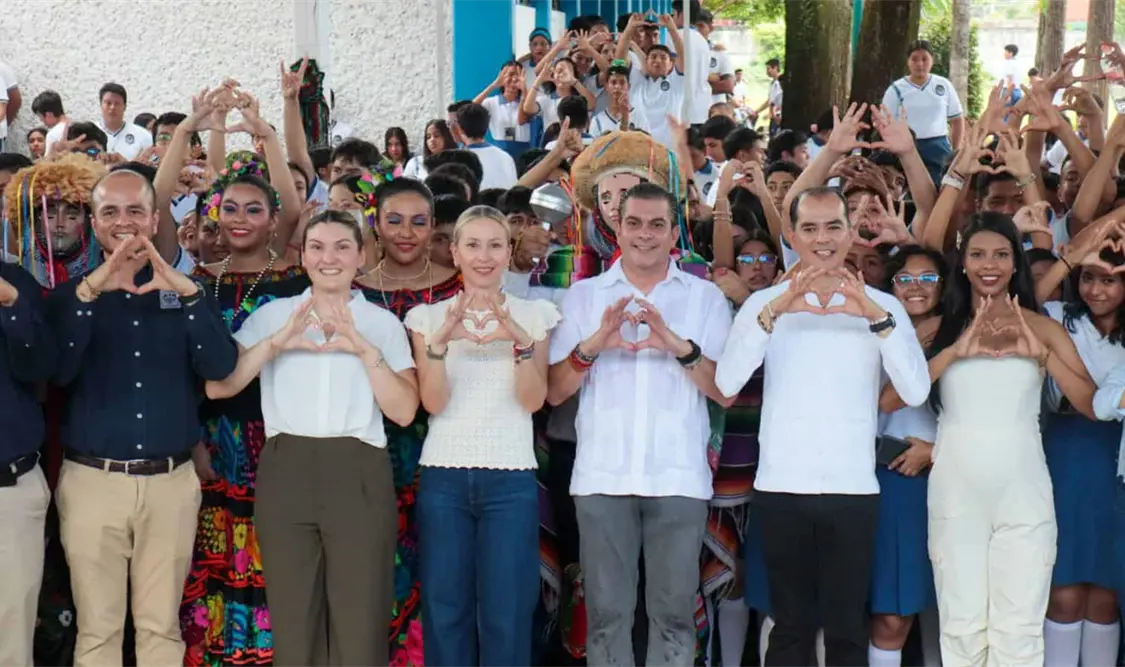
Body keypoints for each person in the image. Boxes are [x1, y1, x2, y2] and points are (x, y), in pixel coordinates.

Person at [716, 185, 930, 667]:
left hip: (853, 488)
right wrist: (774, 313)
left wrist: (876, 318)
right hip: (780, 485)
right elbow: (727, 382)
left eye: (834, 226)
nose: (823, 238)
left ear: (851, 231)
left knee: (846, 629)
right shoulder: (764, 304)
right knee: (789, 627)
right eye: (809, 228)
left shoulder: (883, 305)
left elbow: (915, 391)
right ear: (791, 234)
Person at [205, 210, 419, 667]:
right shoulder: (274, 316)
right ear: (302, 256)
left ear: (362, 255)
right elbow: (219, 386)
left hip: (359, 470)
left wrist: (364, 350)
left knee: (360, 618)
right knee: (293, 614)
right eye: (317, 246)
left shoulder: (381, 323)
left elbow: (403, 410)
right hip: (287, 468)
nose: (329, 258)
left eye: (343, 246)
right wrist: (276, 344)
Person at [48, 168, 238, 666]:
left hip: (170, 484)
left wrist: (191, 295)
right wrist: (93, 292)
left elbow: (220, 369)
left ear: (155, 220)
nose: (124, 221)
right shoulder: (70, 298)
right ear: (94, 221)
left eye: (136, 210)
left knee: (161, 630)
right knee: (97, 632)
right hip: (92, 483)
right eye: (110, 211)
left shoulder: (191, 294)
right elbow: (57, 373)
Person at [547, 182, 733, 667]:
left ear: (675, 232)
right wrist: (596, 343)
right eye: (633, 223)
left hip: (678, 477)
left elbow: (725, 390)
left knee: (673, 615)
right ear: (615, 227)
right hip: (602, 476)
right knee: (607, 616)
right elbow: (554, 390)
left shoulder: (706, 298)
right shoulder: (584, 297)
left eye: (657, 225)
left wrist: (676, 344)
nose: (644, 235)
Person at [923, 212, 1095, 667]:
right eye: (977, 254)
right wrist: (954, 352)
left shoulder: (1042, 327)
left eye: (1001, 254)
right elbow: (893, 395)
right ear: (962, 262)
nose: (989, 265)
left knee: (1018, 632)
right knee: (960, 628)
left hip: (1024, 493)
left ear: (1016, 262)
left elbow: (1091, 403)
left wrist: (1043, 358)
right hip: (955, 494)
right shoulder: (938, 327)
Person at [408, 205, 560, 667]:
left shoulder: (536, 314)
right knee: (445, 607)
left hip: (510, 478)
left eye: (495, 245)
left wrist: (520, 344)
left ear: (508, 250)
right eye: (471, 245)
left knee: (508, 611)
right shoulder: (426, 318)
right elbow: (433, 403)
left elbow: (534, 400)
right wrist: (440, 345)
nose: (483, 256)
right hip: (443, 477)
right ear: (454, 252)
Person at [179, 168, 309, 666]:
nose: (240, 219)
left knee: (279, 557)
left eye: (254, 209)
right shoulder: (195, 285)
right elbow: (183, 370)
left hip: (281, 435)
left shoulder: (300, 279)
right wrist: (192, 439)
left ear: (275, 220)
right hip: (213, 438)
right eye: (229, 208)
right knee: (215, 560)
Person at [355, 178, 461, 664]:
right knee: (369, 567)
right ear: (374, 223)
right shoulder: (351, 286)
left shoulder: (458, 285)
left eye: (419, 222)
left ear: (434, 227)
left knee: (439, 569)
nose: (405, 232)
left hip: (440, 446)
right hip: (365, 446)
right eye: (393, 220)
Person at [0, 261, 57, 667]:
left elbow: (42, 370)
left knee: (12, 636)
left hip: (10, 490)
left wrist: (12, 303)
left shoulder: (17, 283)